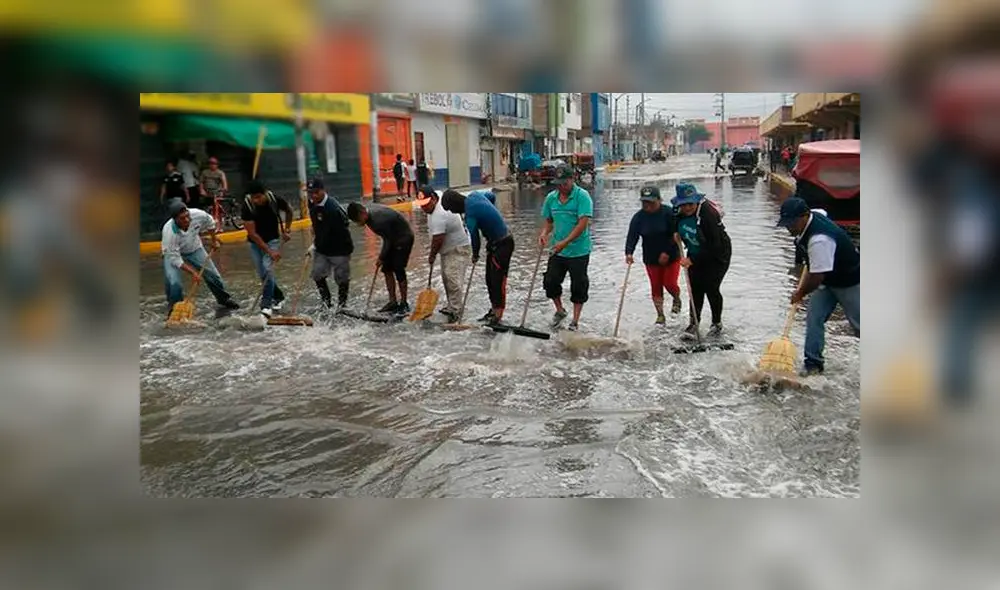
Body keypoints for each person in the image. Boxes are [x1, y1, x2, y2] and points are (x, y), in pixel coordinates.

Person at [777, 197, 860, 376]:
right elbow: (822, 212)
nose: (789, 228)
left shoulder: (820, 240)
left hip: (849, 279)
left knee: (859, 324)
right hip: (826, 281)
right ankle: (813, 363)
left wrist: (800, 293)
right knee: (814, 318)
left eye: (792, 223)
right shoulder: (814, 215)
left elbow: (816, 276)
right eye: (786, 224)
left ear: (804, 216)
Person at [441, 188, 512, 325]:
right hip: (494, 244)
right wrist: (491, 214)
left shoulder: (470, 214)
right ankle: (493, 311)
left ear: (455, 205)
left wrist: (475, 255)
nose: (452, 212)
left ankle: (498, 316)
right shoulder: (475, 195)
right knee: (489, 279)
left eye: (451, 209)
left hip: (503, 244)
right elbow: (491, 196)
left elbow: (474, 237)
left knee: (497, 281)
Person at [672, 182, 732, 338]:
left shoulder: (708, 215)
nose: (687, 208)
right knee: (695, 288)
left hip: (718, 254)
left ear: (696, 201)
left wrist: (692, 260)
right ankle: (694, 323)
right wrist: (676, 233)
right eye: (684, 205)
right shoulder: (677, 212)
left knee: (711, 287)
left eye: (690, 204)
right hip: (695, 250)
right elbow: (675, 224)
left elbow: (714, 245)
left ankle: (716, 323)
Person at [539, 164, 593, 331]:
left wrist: (566, 242)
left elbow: (582, 224)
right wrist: (544, 233)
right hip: (557, 249)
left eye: (565, 183)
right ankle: (560, 310)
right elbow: (549, 221)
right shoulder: (551, 198)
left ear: (572, 179)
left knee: (578, 285)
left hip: (579, 250)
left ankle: (575, 320)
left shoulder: (582, 197)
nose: (561, 187)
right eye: (558, 184)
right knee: (550, 281)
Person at [161, 199, 239, 314]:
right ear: (175, 220)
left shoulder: (197, 214)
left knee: (213, 276)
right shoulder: (169, 233)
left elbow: (210, 222)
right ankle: (174, 307)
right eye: (182, 218)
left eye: (187, 216)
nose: (187, 220)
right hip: (172, 254)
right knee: (174, 282)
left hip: (194, 248)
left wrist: (213, 240)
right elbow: (174, 258)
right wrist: (193, 273)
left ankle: (223, 299)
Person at [624, 185, 685, 325]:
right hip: (651, 257)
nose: (648, 205)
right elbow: (632, 236)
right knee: (656, 286)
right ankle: (660, 315)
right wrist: (629, 252)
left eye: (651, 202)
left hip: (671, 255)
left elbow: (675, 235)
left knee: (669, 283)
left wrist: (667, 252)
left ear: (659, 200)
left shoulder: (668, 213)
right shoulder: (638, 218)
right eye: (645, 202)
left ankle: (676, 298)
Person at [347, 201, 415, 314]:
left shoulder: (378, 221)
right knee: (387, 269)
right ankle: (393, 302)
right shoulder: (369, 215)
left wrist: (381, 257)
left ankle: (404, 303)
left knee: (398, 269)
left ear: (362, 213)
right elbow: (387, 238)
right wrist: (383, 258)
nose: (358, 224)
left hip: (403, 238)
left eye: (358, 221)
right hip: (392, 238)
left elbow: (388, 240)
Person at [416, 186, 471, 322]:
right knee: (446, 277)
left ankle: (456, 311)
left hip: (458, 248)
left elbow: (438, 239)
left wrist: (432, 255)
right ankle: (451, 306)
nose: (423, 208)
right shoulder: (437, 197)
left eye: (426, 204)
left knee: (453, 279)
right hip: (447, 249)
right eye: (421, 205)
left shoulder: (440, 215)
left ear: (433, 199)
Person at [241, 180, 294, 318]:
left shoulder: (274, 200)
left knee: (267, 269)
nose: (256, 200)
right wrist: (270, 252)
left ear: (264, 194)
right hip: (255, 243)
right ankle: (279, 296)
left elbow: (289, 210)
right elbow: (252, 233)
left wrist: (287, 229)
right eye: (253, 197)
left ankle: (265, 305)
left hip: (272, 240)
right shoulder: (247, 206)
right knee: (263, 274)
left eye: (258, 197)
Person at [306, 177, 353, 309]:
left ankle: (342, 306)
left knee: (341, 278)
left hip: (340, 247)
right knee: (317, 275)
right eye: (310, 193)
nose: (313, 196)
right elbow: (317, 224)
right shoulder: (312, 203)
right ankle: (326, 303)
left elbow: (336, 230)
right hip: (323, 247)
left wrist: (314, 244)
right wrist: (315, 238)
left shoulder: (333, 208)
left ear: (323, 190)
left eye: (316, 192)